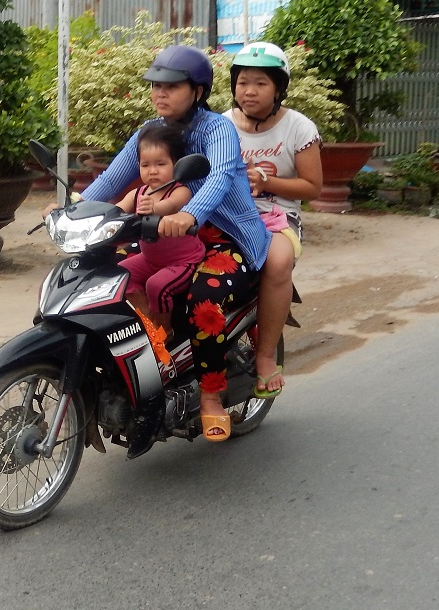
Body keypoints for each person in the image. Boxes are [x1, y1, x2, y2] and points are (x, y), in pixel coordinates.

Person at [82, 45, 269, 442]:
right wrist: (72, 208)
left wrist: (189, 214)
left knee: (204, 299)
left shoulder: (217, 129)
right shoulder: (149, 132)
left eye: (171, 85)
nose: (160, 93)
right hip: (167, 238)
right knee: (107, 278)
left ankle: (211, 397)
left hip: (225, 237)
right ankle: (149, 357)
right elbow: (112, 180)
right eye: (155, 85)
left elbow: (217, 178)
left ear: (198, 91)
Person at [223, 41, 322, 399]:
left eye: (260, 83)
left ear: (279, 88)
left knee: (278, 263)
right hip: (228, 215)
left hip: (278, 217)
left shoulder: (299, 127)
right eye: (242, 82)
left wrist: (268, 182)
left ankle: (265, 357)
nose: (249, 91)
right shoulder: (222, 126)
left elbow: (312, 187)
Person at [115, 123, 205, 346]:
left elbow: (172, 205)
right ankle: (148, 321)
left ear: (176, 165)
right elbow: (115, 210)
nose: (152, 170)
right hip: (150, 259)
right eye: (146, 165)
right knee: (119, 277)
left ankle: (165, 329)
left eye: (160, 164)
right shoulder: (138, 193)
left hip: (183, 261)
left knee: (156, 285)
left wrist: (154, 209)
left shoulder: (180, 191)